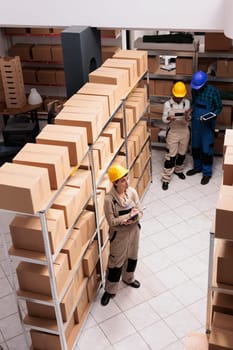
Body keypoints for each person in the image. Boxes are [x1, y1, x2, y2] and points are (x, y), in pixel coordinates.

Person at [101, 164, 143, 306]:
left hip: (134, 230)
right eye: (123, 180)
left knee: (132, 256)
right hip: (119, 235)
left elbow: (140, 210)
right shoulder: (109, 200)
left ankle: (129, 278)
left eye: (127, 178)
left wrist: (135, 216)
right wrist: (124, 220)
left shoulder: (131, 192)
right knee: (115, 262)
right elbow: (111, 221)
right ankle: (110, 290)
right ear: (115, 183)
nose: (127, 182)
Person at [186, 70, 222, 185]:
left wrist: (209, 116)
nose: (197, 89)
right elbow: (194, 103)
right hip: (196, 123)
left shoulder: (214, 92)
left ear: (205, 83)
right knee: (195, 147)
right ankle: (197, 167)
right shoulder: (194, 89)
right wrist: (190, 110)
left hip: (207, 126)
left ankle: (206, 173)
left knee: (206, 150)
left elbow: (218, 108)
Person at [161, 81, 192, 190]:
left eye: (181, 97)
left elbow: (189, 119)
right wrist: (168, 119)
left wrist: (188, 116)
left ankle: (178, 170)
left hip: (184, 131)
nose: (179, 99)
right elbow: (164, 119)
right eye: (177, 97)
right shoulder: (167, 104)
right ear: (173, 94)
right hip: (173, 132)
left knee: (182, 154)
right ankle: (166, 178)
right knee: (170, 156)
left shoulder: (186, 103)